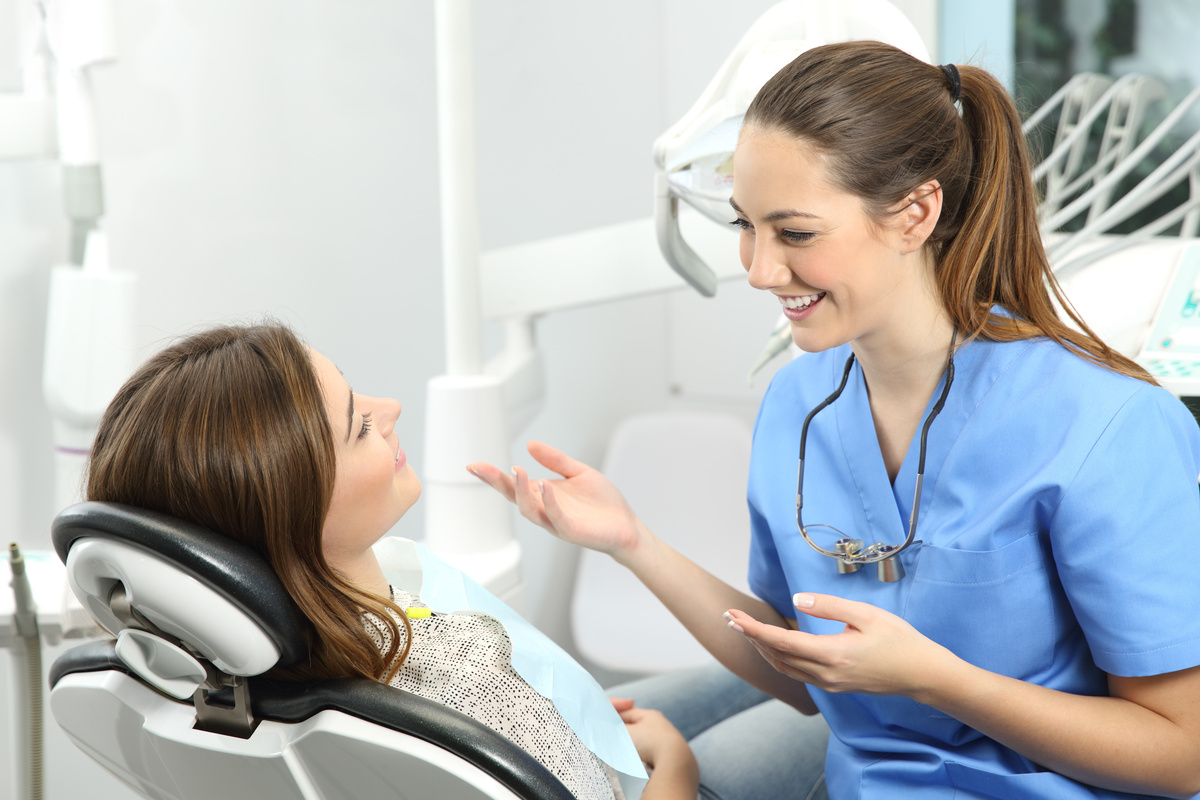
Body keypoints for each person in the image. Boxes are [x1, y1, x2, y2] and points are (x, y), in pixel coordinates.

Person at [469, 40, 1200, 800]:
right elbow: (808, 671)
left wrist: (938, 681)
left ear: (916, 213)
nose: (757, 269)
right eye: (744, 226)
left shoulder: (1108, 425)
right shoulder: (800, 405)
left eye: (795, 233)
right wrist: (632, 544)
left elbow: (1182, 754)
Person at [85, 322, 699, 800]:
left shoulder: (231, 680)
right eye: (359, 426)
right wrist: (677, 767)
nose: (392, 408)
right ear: (297, 515)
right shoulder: (467, 677)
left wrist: (550, 717)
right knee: (791, 707)